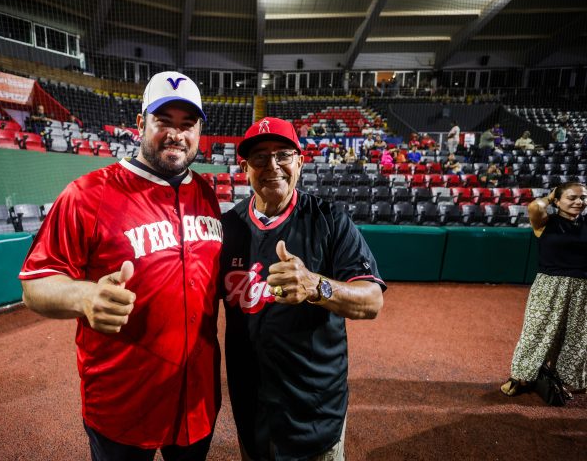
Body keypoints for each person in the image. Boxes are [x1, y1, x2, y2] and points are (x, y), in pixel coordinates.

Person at [19, 71, 222, 460]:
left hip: (195, 399)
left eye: (187, 124)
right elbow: (34, 284)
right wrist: (84, 296)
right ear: (140, 124)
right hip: (122, 404)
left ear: (199, 131)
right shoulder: (87, 194)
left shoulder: (205, 194)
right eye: (164, 121)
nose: (176, 134)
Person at [219, 117, 386, 461]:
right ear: (244, 168)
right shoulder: (228, 228)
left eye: (282, 155)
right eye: (260, 157)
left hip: (315, 410)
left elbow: (372, 301)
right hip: (251, 409)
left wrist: (315, 285)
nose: (272, 166)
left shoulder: (329, 219)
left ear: (299, 161)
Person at [501, 182, 587, 397]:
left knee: (576, 337)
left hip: (583, 287)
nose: (579, 202)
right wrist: (549, 197)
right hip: (550, 285)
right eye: (572, 198)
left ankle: (562, 380)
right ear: (557, 201)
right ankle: (520, 377)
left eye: (583, 198)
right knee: (536, 332)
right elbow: (534, 207)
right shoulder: (546, 222)